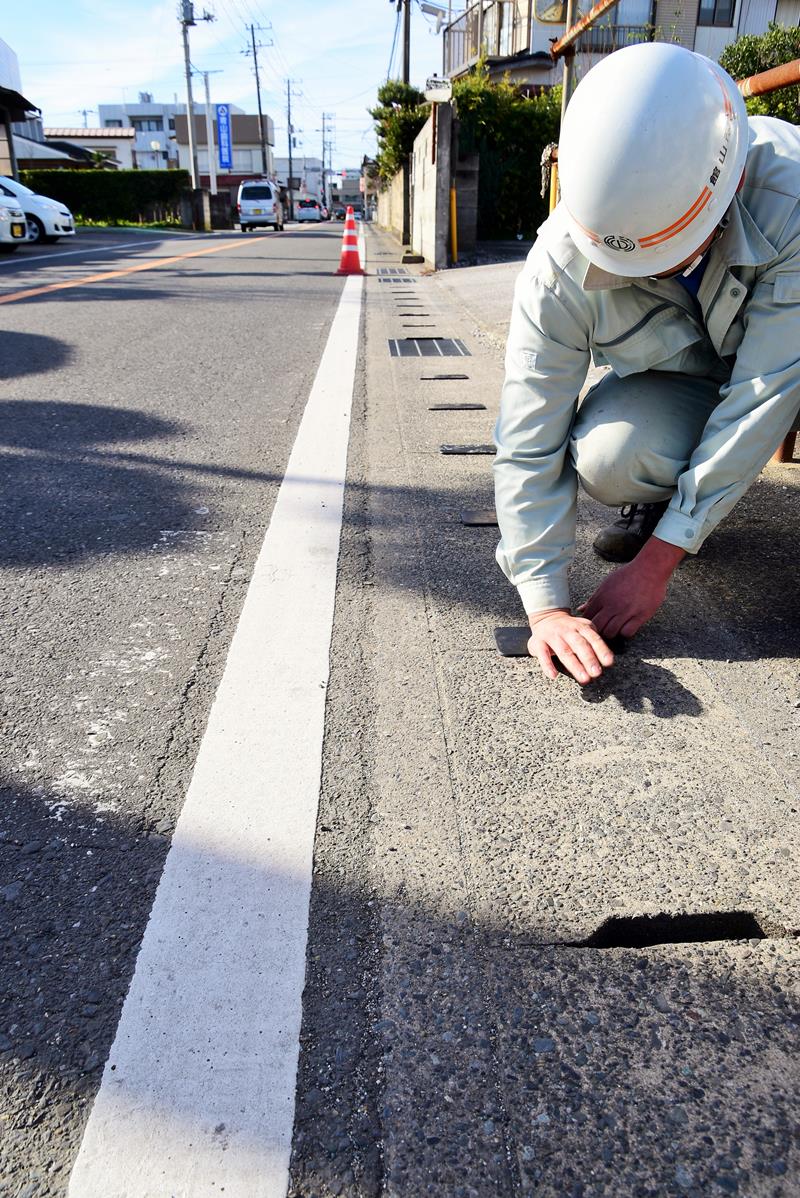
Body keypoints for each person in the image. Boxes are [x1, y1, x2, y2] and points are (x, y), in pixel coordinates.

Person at [494, 41, 800, 685]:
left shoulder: (790, 197)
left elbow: (765, 394)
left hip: (787, 367)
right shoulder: (563, 262)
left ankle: (681, 520)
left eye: (667, 256)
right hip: (702, 380)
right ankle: (667, 503)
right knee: (612, 454)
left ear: (730, 184)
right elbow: (529, 430)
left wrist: (655, 566)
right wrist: (545, 604)